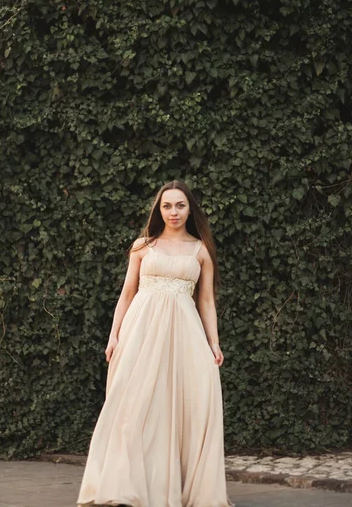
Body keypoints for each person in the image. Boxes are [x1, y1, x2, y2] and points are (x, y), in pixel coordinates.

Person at [76, 179, 235, 507]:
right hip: (140, 334)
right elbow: (127, 294)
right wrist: (114, 335)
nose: (173, 212)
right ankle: (125, 486)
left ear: (190, 209)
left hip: (184, 337)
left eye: (180, 205)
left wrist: (214, 343)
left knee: (180, 406)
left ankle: (169, 489)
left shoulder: (200, 250)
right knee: (132, 406)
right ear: (158, 209)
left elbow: (205, 301)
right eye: (167, 205)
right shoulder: (142, 246)